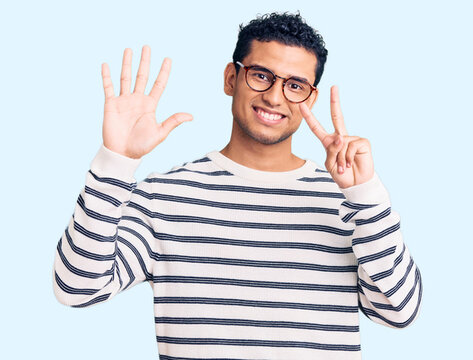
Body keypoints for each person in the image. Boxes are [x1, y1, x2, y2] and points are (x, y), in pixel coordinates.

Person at [52, 11, 422, 359]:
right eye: (261, 75)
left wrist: (366, 195)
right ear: (232, 77)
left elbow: (399, 311)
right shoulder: (162, 197)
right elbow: (76, 288)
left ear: (310, 98)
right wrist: (116, 161)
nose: (275, 97)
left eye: (295, 85)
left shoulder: (349, 205)